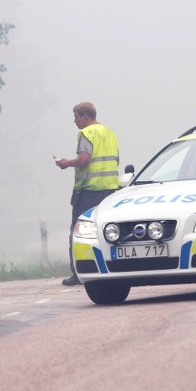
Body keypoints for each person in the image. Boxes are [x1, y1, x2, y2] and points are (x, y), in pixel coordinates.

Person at [55, 102, 119, 285]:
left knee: (78, 231)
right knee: (107, 231)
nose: (74, 121)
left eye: (76, 116)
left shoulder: (86, 133)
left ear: (85, 116)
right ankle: (109, 267)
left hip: (89, 190)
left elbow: (84, 159)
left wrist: (67, 163)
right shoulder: (110, 133)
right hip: (111, 190)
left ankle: (77, 273)